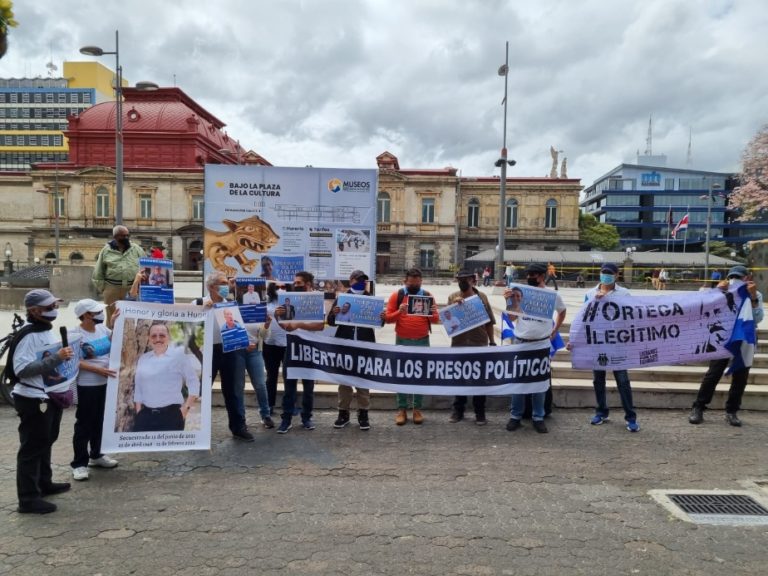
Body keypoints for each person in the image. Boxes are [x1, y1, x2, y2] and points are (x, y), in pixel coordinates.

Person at [12, 289, 75, 514]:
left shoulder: (45, 330)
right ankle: (28, 498)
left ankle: (44, 483)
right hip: (33, 397)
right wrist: (57, 358)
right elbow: (22, 370)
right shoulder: (29, 336)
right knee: (32, 447)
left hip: (48, 395)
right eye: (49, 308)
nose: (54, 310)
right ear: (34, 311)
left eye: (55, 306)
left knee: (46, 441)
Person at [689, 265, 764, 427]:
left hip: (745, 340)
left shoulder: (755, 294)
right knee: (713, 374)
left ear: (747, 278)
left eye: (739, 277)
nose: (735, 281)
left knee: (740, 377)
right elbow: (703, 310)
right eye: (732, 277)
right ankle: (698, 408)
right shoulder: (719, 292)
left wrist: (753, 298)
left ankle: (732, 411)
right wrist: (716, 292)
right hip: (722, 338)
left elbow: (758, 318)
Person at [503, 263, 566, 433]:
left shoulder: (552, 295)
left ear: (542, 276)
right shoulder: (520, 293)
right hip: (521, 342)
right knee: (518, 382)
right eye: (528, 274)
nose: (530, 277)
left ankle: (538, 417)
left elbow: (562, 311)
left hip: (541, 343)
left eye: (534, 275)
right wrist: (510, 301)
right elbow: (511, 317)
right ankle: (515, 416)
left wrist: (555, 329)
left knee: (539, 383)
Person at [197, 271, 254, 441]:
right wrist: (201, 310)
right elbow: (189, 328)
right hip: (206, 352)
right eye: (222, 283)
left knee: (233, 391)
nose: (226, 286)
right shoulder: (198, 302)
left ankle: (239, 428)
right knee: (202, 390)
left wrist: (246, 342)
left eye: (226, 282)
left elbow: (237, 328)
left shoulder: (231, 305)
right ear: (211, 287)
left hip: (230, 351)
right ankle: (196, 430)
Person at [584, 263, 640, 432]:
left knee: (623, 381)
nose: (606, 276)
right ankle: (601, 411)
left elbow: (630, 316)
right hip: (598, 343)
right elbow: (585, 317)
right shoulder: (589, 294)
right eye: (603, 273)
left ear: (617, 275)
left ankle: (630, 417)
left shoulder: (624, 293)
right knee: (598, 380)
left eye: (609, 273)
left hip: (617, 344)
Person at [69, 299, 119, 482]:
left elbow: (115, 341)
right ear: (86, 315)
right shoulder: (75, 334)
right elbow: (73, 360)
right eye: (96, 312)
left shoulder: (103, 330)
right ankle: (79, 463)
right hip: (87, 384)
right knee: (84, 423)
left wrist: (114, 323)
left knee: (101, 421)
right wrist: (98, 370)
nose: (99, 314)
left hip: (106, 383)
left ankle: (96, 455)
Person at [384, 267, 439, 425]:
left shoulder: (428, 295)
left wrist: (433, 313)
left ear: (421, 282)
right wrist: (398, 312)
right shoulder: (397, 295)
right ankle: (402, 409)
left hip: (422, 340)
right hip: (402, 340)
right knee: (401, 375)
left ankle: (417, 409)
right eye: (411, 284)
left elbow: (436, 319)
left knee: (420, 376)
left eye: (417, 283)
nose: (414, 286)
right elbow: (387, 319)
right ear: (405, 282)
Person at [274, 271, 325, 433]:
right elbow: (286, 326)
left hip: (310, 347)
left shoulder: (317, 300)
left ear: (309, 284)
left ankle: (306, 417)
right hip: (292, 346)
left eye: (299, 283)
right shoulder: (289, 301)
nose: (296, 285)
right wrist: (277, 317)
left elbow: (320, 326)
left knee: (308, 387)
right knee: (289, 386)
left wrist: (299, 325)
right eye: (295, 283)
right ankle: (286, 418)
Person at [327, 270, 377, 430]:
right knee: (344, 382)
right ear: (351, 280)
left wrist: (381, 318)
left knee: (363, 381)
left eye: (363, 280)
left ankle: (363, 413)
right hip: (345, 345)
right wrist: (334, 314)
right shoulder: (342, 298)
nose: (361, 282)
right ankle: (343, 413)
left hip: (364, 345)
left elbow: (378, 323)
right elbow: (331, 322)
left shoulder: (371, 298)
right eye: (357, 280)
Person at [132, 322, 201, 432]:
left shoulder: (179, 357)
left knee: (170, 450)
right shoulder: (143, 359)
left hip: (172, 416)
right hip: (145, 416)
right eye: (154, 336)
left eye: (162, 335)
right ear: (149, 338)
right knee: (143, 449)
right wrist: (139, 412)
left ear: (168, 337)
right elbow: (139, 387)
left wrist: (185, 409)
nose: (158, 339)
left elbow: (194, 382)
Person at [448, 270, 496, 425]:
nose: (462, 281)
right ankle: (458, 411)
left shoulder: (482, 297)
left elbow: (489, 322)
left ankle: (480, 412)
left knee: (479, 379)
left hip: (479, 342)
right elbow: (448, 321)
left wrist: (492, 341)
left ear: (472, 280)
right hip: (459, 343)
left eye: (465, 279)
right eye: (459, 279)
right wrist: (454, 306)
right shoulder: (452, 297)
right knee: (459, 378)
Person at [92, 225, 145, 325]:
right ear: (115, 237)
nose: (126, 238)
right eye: (123, 236)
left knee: (130, 317)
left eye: (127, 235)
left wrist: (139, 285)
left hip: (131, 288)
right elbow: (98, 271)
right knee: (112, 317)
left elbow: (145, 266)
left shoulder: (136, 249)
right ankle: (112, 338)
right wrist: (104, 289)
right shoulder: (106, 250)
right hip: (112, 289)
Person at [243, 303, 274, 429]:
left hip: (255, 351)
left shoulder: (259, 310)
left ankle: (265, 415)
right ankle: (240, 418)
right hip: (238, 351)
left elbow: (265, 336)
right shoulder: (234, 308)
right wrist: (243, 343)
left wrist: (266, 325)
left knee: (260, 384)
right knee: (238, 386)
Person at [263, 282, 287, 417]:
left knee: (288, 377)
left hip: (287, 342)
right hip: (270, 342)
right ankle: (269, 405)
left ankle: (287, 407)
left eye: (283, 287)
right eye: (277, 287)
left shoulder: (292, 300)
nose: (280, 289)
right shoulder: (266, 301)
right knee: (271, 376)